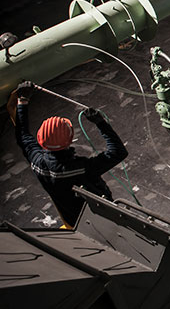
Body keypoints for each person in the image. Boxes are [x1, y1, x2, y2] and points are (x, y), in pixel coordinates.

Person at [10, 81, 128, 228]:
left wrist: (22, 101)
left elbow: (23, 136)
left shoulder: (37, 162)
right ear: (69, 140)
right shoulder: (81, 168)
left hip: (74, 221)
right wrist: (100, 123)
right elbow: (118, 152)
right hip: (103, 219)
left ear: (41, 140)